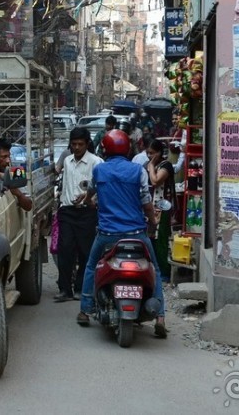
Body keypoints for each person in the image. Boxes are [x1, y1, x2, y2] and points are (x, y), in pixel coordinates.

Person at [76, 129, 166, 338]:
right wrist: (152, 224)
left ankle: (85, 309)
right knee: (155, 269)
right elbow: (146, 204)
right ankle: (160, 316)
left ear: (105, 148)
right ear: (127, 148)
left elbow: (90, 193)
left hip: (107, 234)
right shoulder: (138, 171)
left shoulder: (100, 170)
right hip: (136, 233)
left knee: (90, 266)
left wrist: (91, 202)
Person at [54, 127, 102, 302]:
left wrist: (90, 198)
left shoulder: (97, 162)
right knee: (65, 250)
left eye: (80, 144)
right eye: (73, 144)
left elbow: (101, 188)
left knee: (86, 252)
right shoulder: (67, 161)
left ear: (87, 144)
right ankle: (64, 289)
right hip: (67, 210)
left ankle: (81, 288)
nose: (76, 148)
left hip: (87, 212)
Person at [144, 139, 175, 280]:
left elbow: (156, 181)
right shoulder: (147, 165)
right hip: (150, 207)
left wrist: (151, 167)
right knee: (150, 238)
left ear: (159, 153)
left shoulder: (165, 165)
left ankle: (164, 272)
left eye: (152, 153)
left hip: (163, 208)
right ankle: (152, 268)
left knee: (160, 239)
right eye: (148, 153)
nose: (150, 156)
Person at [0, 137, 33, 211]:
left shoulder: (15, 171)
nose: (8, 160)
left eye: (8, 156)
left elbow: (29, 206)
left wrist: (18, 193)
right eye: (3, 157)